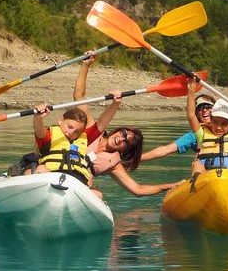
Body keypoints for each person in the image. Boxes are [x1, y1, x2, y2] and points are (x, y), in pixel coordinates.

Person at [74, 53, 179, 197]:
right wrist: (86, 66)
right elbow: (79, 97)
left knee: (98, 195)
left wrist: (169, 186)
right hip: (54, 172)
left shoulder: (114, 165)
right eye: (123, 134)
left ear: (125, 151)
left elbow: (138, 190)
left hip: (78, 187)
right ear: (117, 130)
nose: (121, 138)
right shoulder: (92, 130)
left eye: (126, 142)